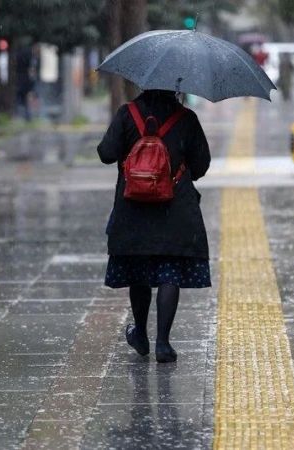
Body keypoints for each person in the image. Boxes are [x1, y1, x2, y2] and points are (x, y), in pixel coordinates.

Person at [97, 90, 211, 363]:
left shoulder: (128, 114)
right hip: (174, 208)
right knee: (168, 271)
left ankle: (140, 335)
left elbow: (106, 153)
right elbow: (201, 165)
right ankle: (163, 343)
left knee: (138, 270)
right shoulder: (186, 118)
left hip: (132, 208)